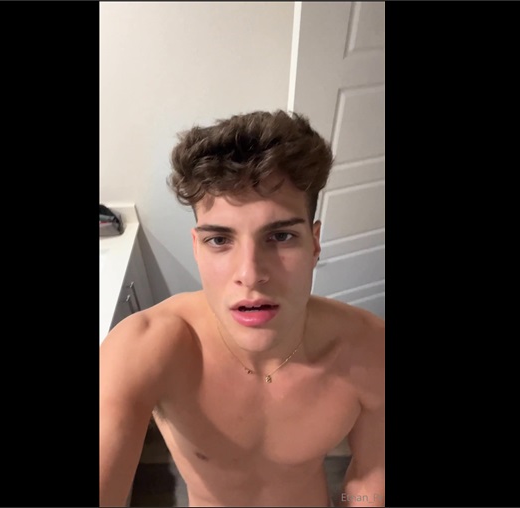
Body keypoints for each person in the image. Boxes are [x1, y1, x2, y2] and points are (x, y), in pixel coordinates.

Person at [99, 110, 385, 507]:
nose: (250, 275)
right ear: (197, 247)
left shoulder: (369, 349)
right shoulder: (146, 348)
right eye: (219, 240)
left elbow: (370, 477)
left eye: (280, 236)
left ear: (314, 243)